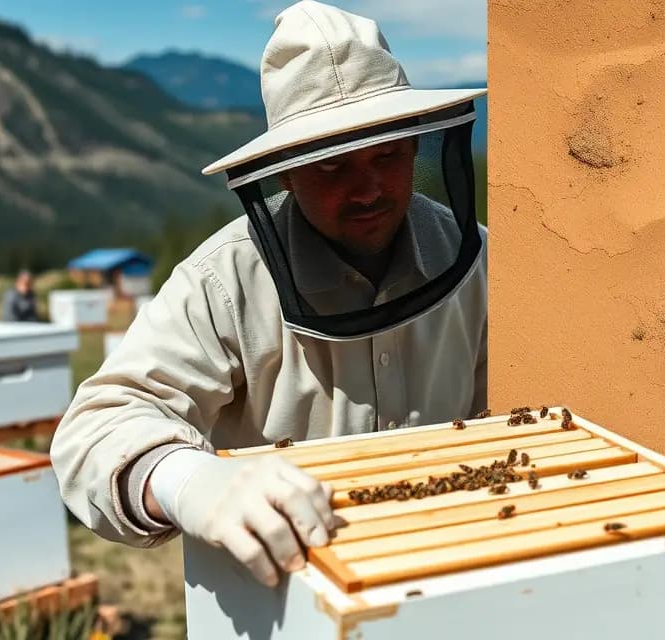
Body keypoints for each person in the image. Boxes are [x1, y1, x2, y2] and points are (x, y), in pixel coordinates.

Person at [50, 0, 487, 590]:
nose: (369, 189)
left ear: (415, 146)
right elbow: (95, 429)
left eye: (386, 155)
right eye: (332, 167)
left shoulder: (476, 258)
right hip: (285, 584)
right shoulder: (221, 280)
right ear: (283, 172)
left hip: (451, 567)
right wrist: (189, 481)